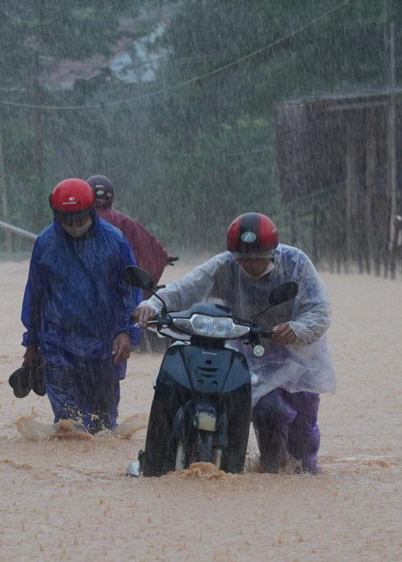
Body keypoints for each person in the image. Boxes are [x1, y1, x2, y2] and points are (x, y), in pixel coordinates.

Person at [134, 212, 335, 473]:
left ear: (272, 252)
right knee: (267, 412)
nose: (251, 265)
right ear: (234, 256)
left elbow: (320, 310)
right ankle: (272, 471)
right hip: (253, 349)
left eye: (259, 259)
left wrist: (296, 329)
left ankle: (304, 473)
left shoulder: (296, 264)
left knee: (302, 431)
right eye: (244, 259)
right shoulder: (225, 266)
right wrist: (152, 304)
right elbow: (186, 287)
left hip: (298, 354)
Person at [19, 178, 140, 435]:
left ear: (92, 213)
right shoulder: (46, 244)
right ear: (57, 216)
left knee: (103, 427)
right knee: (69, 427)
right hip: (58, 346)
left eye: (79, 219)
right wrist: (31, 343)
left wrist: (126, 331)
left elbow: (129, 291)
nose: (74, 226)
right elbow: (35, 295)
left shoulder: (114, 242)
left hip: (104, 346)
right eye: (68, 220)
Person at [86, 175, 174, 285]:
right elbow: (144, 242)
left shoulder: (76, 218)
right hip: (114, 285)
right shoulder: (122, 220)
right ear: (111, 195)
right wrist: (163, 256)